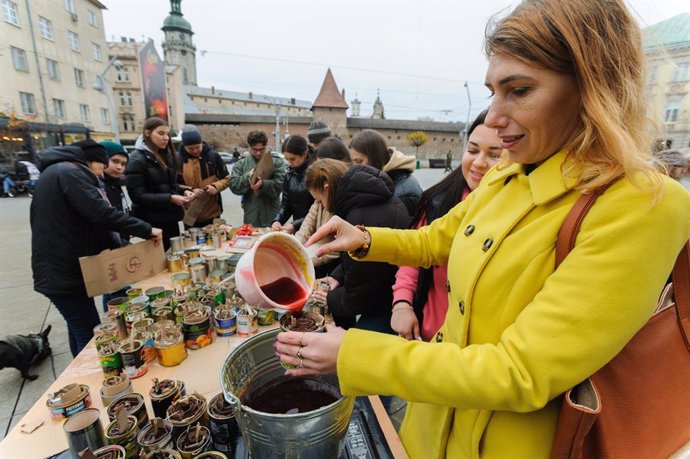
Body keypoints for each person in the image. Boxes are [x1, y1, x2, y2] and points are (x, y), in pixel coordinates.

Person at [275, 1, 690, 457]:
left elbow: (521, 371)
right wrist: (366, 239)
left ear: (593, 87)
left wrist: (353, 354)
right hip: (435, 418)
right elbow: (441, 239)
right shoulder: (509, 171)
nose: (492, 117)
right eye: (494, 90)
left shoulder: (643, 204)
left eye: (519, 90)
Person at [31, 140, 161, 356]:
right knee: (90, 334)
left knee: (78, 328)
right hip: (62, 273)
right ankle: (91, 379)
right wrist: (146, 229)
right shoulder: (70, 173)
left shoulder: (59, 171)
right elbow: (100, 213)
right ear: (92, 161)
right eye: (103, 165)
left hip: (63, 269)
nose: (102, 174)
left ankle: (81, 375)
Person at [391, 110, 502, 341]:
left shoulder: (518, 217)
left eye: (495, 155)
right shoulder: (438, 202)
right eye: (472, 150)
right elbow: (416, 253)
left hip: (478, 354)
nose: (479, 163)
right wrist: (402, 303)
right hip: (429, 337)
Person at [306, 159, 409, 333]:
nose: (321, 205)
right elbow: (364, 261)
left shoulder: (357, 219)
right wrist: (338, 276)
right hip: (391, 291)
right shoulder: (373, 199)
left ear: (326, 187)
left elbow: (359, 297)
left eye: (319, 200)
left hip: (388, 305)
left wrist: (329, 299)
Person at [126, 117, 192, 250]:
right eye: (161, 133)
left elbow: (168, 186)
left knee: (174, 255)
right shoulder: (137, 159)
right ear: (147, 133)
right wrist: (170, 198)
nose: (166, 138)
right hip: (152, 222)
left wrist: (182, 191)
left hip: (170, 217)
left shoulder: (165, 155)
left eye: (167, 134)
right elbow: (137, 196)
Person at [294, 137, 351, 277]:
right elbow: (310, 219)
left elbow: (334, 249)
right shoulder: (322, 196)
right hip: (318, 257)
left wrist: (303, 260)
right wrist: (294, 245)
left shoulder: (343, 201)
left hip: (333, 266)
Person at [349, 129, 422, 218]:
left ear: (375, 158)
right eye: (354, 162)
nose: (355, 167)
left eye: (359, 161)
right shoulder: (377, 180)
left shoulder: (405, 194)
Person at [229, 130, 286, 227]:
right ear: (250, 147)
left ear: (266, 146)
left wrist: (263, 184)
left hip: (272, 213)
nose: (258, 153)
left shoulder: (277, 162)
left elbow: (280, 184)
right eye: (255, 150)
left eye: (262, 149)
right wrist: (247, 177)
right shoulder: (241, 164)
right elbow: (234, 185)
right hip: (251, 214)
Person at [177, 124, 230, 228]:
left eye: (197, 147)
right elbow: (173, 185)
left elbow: (227, 178)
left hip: (212, 212)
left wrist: (215, 187)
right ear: (184, 146)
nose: (195, 151)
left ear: (201, 142)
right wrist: (191, 190)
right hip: (189, 214)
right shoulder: (177, 159)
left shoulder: (213, 156)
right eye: (190, 148)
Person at [271, 135, 315, 234]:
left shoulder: (315, 173)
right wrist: (277, 220)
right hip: (298, 228)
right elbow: (286, 204)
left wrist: (296, 224)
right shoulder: (289, 175)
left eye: (292, 159)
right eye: (287, 159)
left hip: (315, 229)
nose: (289, 163)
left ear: (304, 154)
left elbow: (319, 211)